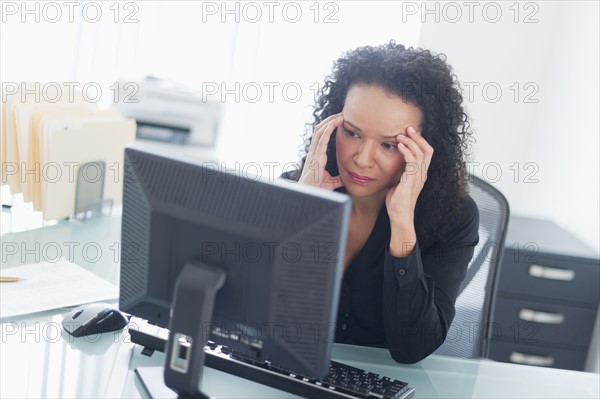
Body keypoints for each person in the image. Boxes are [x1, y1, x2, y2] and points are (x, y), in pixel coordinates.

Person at [284, 41, 479, 363]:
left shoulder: (453, 217)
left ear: (425, 149)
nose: (362, 159)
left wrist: (402, 224)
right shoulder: (297, 189)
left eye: (389, 145)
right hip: (292, 371)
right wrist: (303, 209)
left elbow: (413, 347)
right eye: (352, 133)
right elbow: (245, 313)